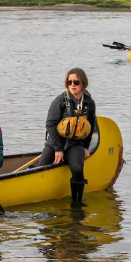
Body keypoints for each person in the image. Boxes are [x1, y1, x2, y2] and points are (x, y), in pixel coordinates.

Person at [37, 68, 98, 204]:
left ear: (83, 83)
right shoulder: (60, 100)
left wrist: (86, 147)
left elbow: (91, 125)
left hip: (75, 144)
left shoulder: (89, 103)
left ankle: (77, 203)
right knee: (40, 169)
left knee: (77, 169)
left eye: (76, 82)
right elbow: (50, 125)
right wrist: (58, 149)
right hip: (55, 142)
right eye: (69, 82)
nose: (72, 85)